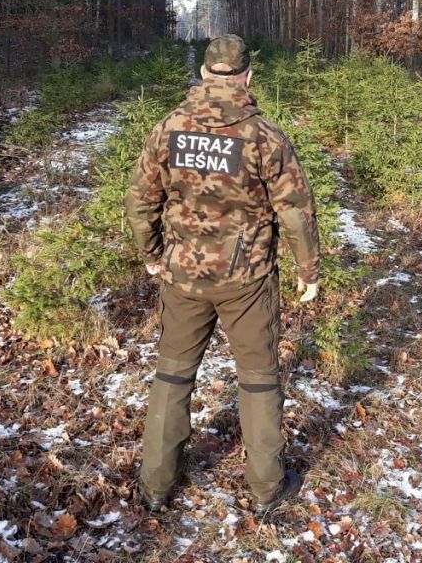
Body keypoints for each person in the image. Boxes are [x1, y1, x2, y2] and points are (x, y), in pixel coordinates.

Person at [124, 34, 321, 515]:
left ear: (205, 74)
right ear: (248, 77)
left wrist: (151, 253)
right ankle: (268, 488)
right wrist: (307, 268)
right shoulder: (265, 136)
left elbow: (140, 199)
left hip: (183, 276)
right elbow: (295, 210)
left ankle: (155, 485)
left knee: (172, 376)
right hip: (247, 280)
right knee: (258, 379)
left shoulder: (168, 129)